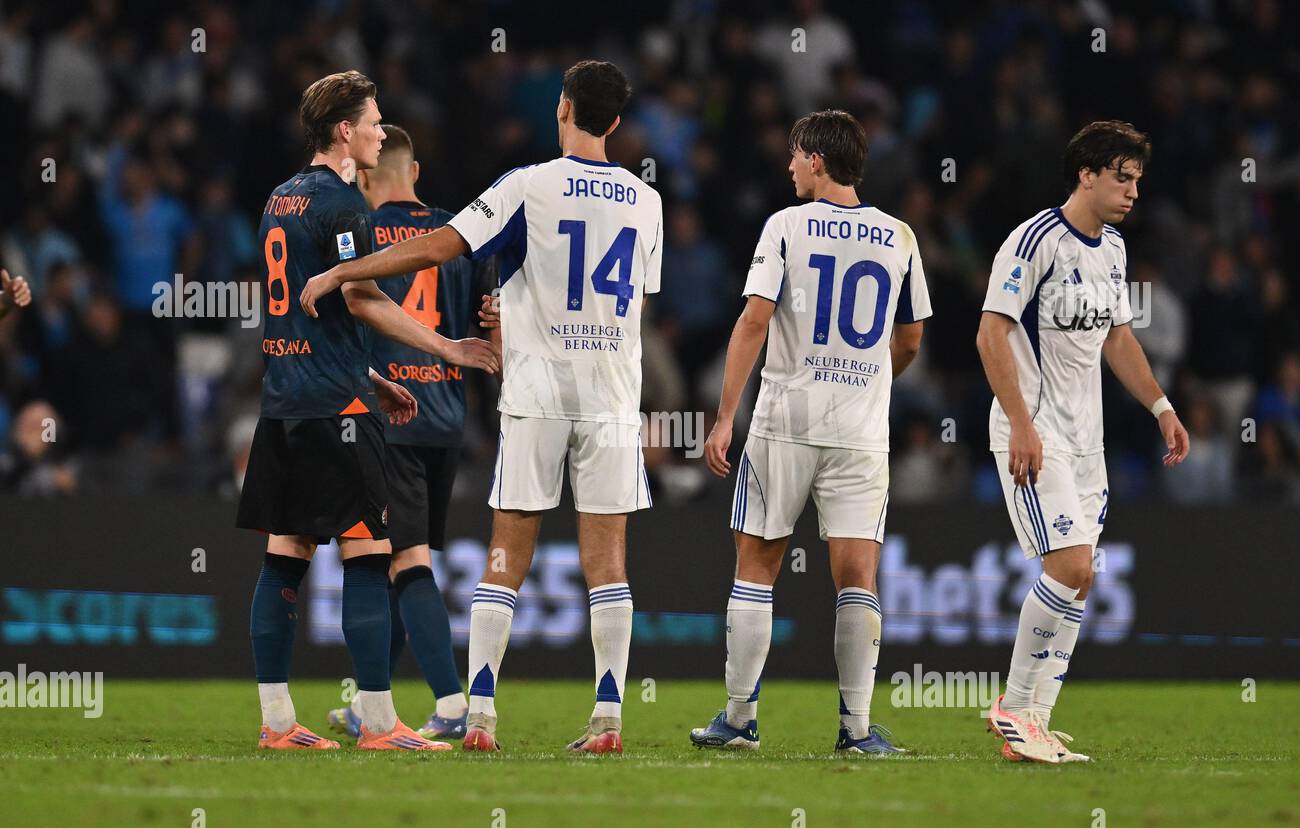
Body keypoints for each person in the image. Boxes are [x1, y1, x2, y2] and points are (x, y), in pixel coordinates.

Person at [301, 60, 663, 755]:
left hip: (538, 394)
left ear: (562, 109)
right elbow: (629, 306)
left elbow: (441, 246)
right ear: (615, 122)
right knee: (608, 562)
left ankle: (483, 716)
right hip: (612, 396)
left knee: (505, 556)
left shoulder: (528, 185)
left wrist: (346, 268)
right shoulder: (645, 202)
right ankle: (609, 718)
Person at [238, 71, 498, 752]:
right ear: (343, 130)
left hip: (285, 401)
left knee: (285, 555)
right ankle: (381, 725)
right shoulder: (343, 204)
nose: (382, 133)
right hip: (337, 414)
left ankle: (275, 723)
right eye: (374, 121)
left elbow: (306, 308)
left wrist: (372, 373)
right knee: (369, 552)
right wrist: (446, 346)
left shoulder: (279, 198)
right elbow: (359, 299)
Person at [688, 110, 930, 755]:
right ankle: (855, 730)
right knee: (858, 577)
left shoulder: (787, 226)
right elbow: (909, 338)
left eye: (796, 156)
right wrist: (870, 379)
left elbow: (753, 321)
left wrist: (723, 417)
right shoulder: (899, 236)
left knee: (756, 566)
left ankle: (739, 720)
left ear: (818, 161)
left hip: (785, 421)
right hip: (860, 428)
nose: (790, 166)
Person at [975, 120, 1189, 763]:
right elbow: (990, 334)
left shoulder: (1114, 249)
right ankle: (1014, 709)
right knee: (1068, 566)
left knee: (1082, 578)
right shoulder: (1033, 240)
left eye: (1138, 181)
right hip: (1036, 433)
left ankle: (1035, 719)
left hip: (1087, 439)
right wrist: (1020, 423)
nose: (1131, 191)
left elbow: (1118, 339)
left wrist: (1160, 406)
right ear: (1087, 174)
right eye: (1122, 178)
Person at [326, 124, 486, 742]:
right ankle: (375, 705)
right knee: (403, 559)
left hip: (385, 416)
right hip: (445, 419)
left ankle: (450, 703)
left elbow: (352, 309)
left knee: (402, 558)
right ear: (414, 172)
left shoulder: (359, 234)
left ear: (365, 177)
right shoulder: (457, 234)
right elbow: (487, 315)